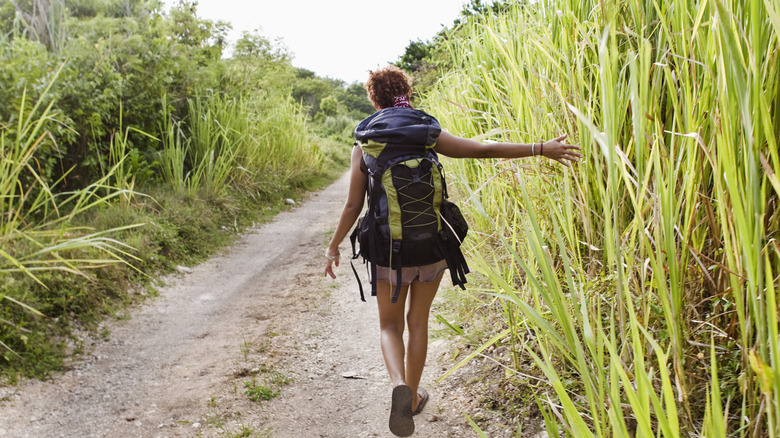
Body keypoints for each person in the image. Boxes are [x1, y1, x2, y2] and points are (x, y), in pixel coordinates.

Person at [323, 65, 581, 436]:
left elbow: (352, 206)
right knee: (418, 322)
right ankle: (411, 397)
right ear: (406, 94)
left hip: (387, 250)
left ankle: (398, 383)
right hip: (431, 246)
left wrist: (333, 248)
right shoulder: (427, 133)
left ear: (374, 99)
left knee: (390, 326)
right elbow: (484, 150)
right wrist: (542, 148)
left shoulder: (365, 144)